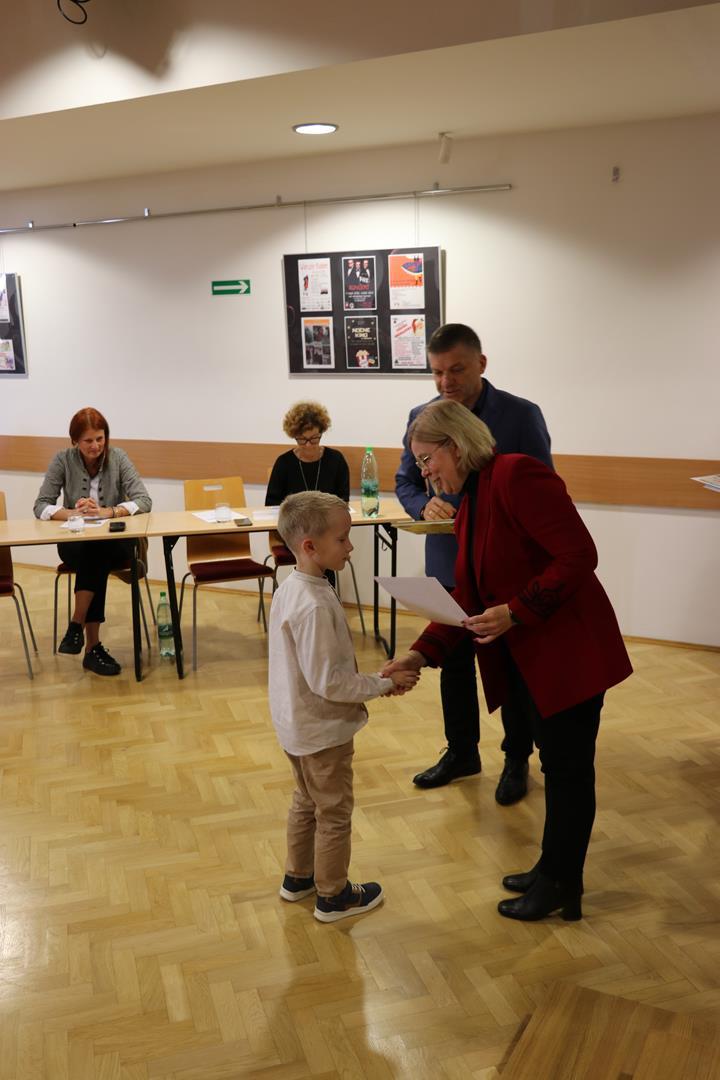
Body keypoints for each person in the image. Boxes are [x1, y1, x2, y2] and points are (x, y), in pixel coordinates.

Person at [384, 400, 632, 921]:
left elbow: (578, 555)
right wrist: (418, 654)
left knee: (567, 772)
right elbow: (469, 598)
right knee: (557, 767)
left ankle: (561, 884)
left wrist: (517, 612)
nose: (424, 474)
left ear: (456, 445)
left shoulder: (516, 474)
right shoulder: (473, 500)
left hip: (569, 651)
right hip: (532, 654)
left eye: (427, 459)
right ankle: (553, 870)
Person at [395, 323, 553, 802]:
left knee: (510, 664)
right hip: (449, 562)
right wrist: (423, 505)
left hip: (505, 568)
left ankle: (516, 758)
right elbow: (405, 482)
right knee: (454, 662)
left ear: (481, 364)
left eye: (457, 370)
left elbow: (543, 492)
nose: (446, 382)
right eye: (437, 372)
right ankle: (461, 752)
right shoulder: (421, 417)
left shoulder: (521, 415)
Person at [268, 492, 419, 922]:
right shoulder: (313, 604)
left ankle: (298, 877)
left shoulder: (291, 588)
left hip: (295, 727)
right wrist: (383, 683)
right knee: (333, 812)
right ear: (309, 546)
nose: (350, 547)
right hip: (322, 731)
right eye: (342, 539)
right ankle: (333, 895)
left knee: (306, 800)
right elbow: (329, 681)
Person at [33, 407, 152, 676]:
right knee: (94, 553)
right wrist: (72, 514)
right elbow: (40, 505)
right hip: (75, 543)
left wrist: (109, 512)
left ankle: (77, 625)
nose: (96, 446)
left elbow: (144, 500)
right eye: (88, 440)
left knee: (98, 548)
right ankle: (91, 649)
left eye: (100, 438)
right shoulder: (62, 460)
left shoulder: (118, 457)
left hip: (115, 543)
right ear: (74, 441)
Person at [266, 401, 350, 587]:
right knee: (317, 549)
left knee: (325, 546)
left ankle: (324, 596)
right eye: (302, 440)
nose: (309, 445)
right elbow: (272, 505)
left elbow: (343, 501)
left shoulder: (336, 460)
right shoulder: (284, 463)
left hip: (327, 531)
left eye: (314, 439)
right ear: (294, 436)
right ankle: (305, 596)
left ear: (322, 432)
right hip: (293, 534)